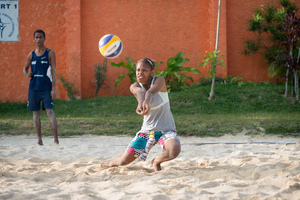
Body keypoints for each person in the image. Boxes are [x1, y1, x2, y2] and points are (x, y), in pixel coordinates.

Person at [102, 58, 181, 171]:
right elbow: (140, 93)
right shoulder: (135, 86)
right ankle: (111, 162)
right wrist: (141, 104)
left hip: (166, 130)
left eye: (144, 70)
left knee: (174, 150)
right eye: (138, 70)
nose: (140, 72)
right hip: (147, 132)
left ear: (151, 73)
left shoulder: (159, 80)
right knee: (123, 161)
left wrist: (147, 102)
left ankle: (156, 161)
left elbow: (150, 92)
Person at [23, 29, 59, 145]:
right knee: (36, 113)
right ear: (34, 39)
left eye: (40, 37)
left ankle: (56, 140)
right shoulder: (31, 54)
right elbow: (25, 68)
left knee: (50, 112)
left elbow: (53, 71)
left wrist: (54, 88)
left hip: (46, 88)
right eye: (36, 37)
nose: (38, 39)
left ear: (44, 38)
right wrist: (26, 74)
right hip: (33, 88)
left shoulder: (50, 53)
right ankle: (39, 140)